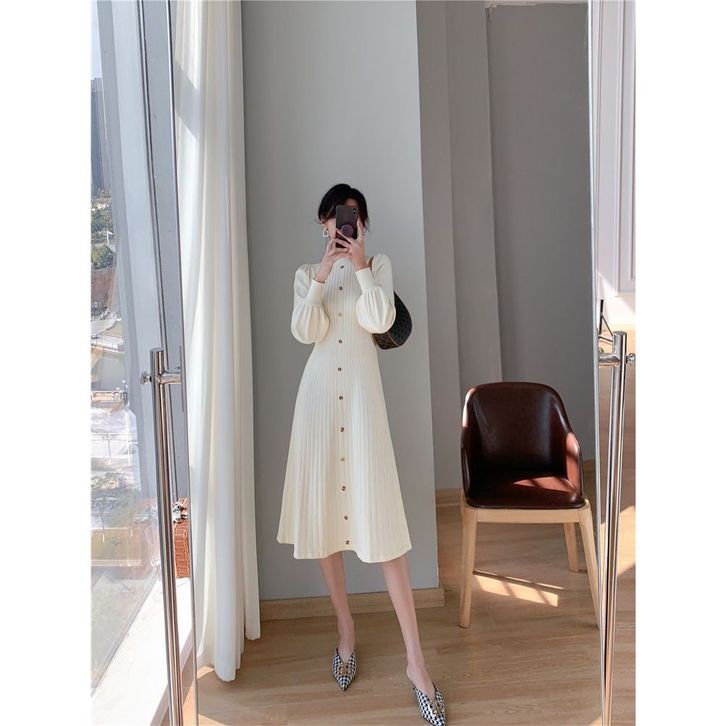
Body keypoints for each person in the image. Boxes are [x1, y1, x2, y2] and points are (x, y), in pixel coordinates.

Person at [276, 183, 447, 725]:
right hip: (318, 407)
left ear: (362, 223)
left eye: (349, 217)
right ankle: (346, 630)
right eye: (332, 218)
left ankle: (416, 664)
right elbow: (305, 331)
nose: (340, 226)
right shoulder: (307, 275)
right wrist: (324, 274)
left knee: (386, 531)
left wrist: (362, 268)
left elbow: (378, 322)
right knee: (326, 524)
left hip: (363, 410)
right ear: (322, 224)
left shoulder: (380, 268)